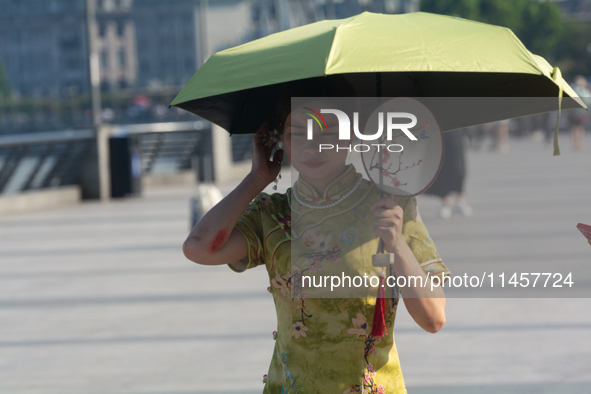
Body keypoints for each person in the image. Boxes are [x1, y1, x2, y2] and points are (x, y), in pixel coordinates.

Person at [182, 78, 450, 394]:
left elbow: (433, 318)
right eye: (298, 133)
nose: (313, 145)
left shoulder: (392, 206)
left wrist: (398, 245)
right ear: (279, 137)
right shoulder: (272, 214)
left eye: (329, 133)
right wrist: (256, 179)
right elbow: (199, 248)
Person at [424, 128, 472, 219]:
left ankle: (460, 200)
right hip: (438, 131)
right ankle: (446, 203)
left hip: (457, 130)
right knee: (442, 168)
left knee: (459, 169)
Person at [569, 76, 590, 152]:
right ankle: (578, 143)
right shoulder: (583, 91)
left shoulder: (572, 89)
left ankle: (574, 143)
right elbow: (588, 101)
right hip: (581, 113)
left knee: (574, 128)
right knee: (580, 128)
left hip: (572, 112)